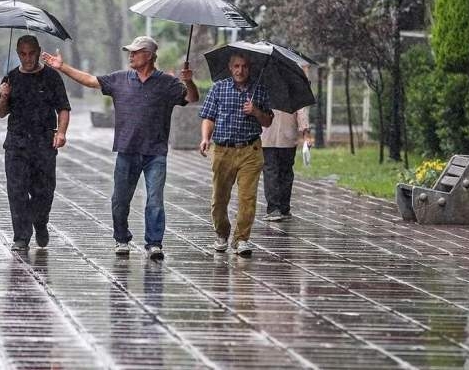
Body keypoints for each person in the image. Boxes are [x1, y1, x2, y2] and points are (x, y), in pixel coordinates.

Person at [41, 35, 199, 260]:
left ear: (150, 55)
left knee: (155, 200)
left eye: (136, 52)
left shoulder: (167, 83)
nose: (131, 55)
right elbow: (90, 80)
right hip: (127, 150)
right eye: (130, 52)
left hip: (155, 152)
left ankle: (154, 243)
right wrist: (62, 67)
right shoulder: (120, 79)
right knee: (120, 200)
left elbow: (191, 97)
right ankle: (121, 238)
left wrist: (189, 81)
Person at [0, 35, 71, 251]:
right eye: (23, 54)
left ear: (38, 51)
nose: (28, 58)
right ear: (18, 53)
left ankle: (40, 222)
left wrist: (62, 132)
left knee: (44, 191)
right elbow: (0, 112)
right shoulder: (10, 78)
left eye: (31, 53)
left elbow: (63, 108)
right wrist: (3, 97)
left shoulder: (51, 77)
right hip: (17, 143)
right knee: (16, 190)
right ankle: (21, 236)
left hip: (43, 143)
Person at [199, 52, 273, 257]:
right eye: (236, 66)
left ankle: (242, 239)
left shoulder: (259, 90)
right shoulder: (219, 88)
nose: (240, 71)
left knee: (247, 198)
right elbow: (208, 116)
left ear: (249, 68)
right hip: (223, 150)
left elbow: (267, 121)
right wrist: (206, 138)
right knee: (219, 198)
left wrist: (256, 111)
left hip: (250, 150)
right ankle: (222, 234)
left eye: (244, 66)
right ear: (230, 68)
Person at [261, 107, 311, 221]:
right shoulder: (294, 91)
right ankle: (284, 209)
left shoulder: (263, 90)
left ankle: (273, 209)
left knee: (270, 173)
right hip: (288, 137)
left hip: (267, 138)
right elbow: (301, 112)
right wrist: (306, 134)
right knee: (286, 172)